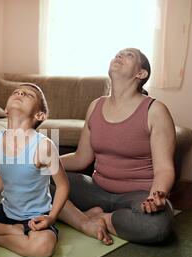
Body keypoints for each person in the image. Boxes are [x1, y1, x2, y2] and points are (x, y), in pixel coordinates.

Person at [57, 48, 176, 245]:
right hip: (95, 189)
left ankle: (101, 218)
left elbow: (164, 168)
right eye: (118, 53)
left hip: (137, 195)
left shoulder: (155, 110)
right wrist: (46, 162)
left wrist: (156, 196)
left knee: (158, 226)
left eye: (129, 55)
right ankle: (85, 221)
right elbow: (81, 158)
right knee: (37, 180)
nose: (119, 55)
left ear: (141, 73)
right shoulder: (95, 105)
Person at [0, 83, 70, 257]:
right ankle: (10, 230)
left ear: (39, 115)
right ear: (6, 109)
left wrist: (51, 217)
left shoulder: (43, 146)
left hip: (34, 218)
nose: (20, 93)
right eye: (17, 92)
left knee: (43, 248)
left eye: (28, 95)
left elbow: (63, 186)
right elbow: (7, 174)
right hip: (5, 213)